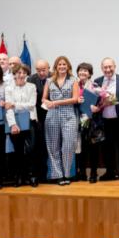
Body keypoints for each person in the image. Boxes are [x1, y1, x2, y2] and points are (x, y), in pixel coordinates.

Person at [43, 56, 80, 186]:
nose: (62, 66)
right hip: (52, 116)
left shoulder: (74, 80)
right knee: (53, 147)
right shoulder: (49, 81)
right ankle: (57, 175)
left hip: (68, 115)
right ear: (56, 67)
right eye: (59, 64)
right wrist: (47, 102)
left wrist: (57, 102)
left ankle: (67, 174)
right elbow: (44, 98)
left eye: (64, 64)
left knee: (68, 146)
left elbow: (75, 99)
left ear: (68, 66)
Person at [95, 57, 119, 183]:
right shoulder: (97, 82)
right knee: (107, 147)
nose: (108, 69)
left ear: (114, 66)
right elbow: (95, 100)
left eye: (110, 67)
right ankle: (110, 172)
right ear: (102, 68)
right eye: (105, 67)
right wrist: (100, 104)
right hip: (104, 120)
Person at [4, 64, 38, 187]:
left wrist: (14, 105)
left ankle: (32, 176)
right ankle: (19, 177)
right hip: (15, 122)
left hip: (30, 121)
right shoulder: (8, 88)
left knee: (31, 150)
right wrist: (13, 124)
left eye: (23, 73)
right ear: (14, 74)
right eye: (18, 73)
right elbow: (8, 109)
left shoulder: (32, 86)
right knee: (18, 151)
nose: (21, 75)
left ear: (27, 74)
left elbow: (31, 105)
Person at [75, 62, 99, 182]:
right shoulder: (74, 85)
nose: (83, 73)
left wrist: (97, 107)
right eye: (80, 70)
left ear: (90, 74)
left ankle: (94, 173)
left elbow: (101, 101)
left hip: (91, 120)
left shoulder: (95, 86)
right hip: (76, 119)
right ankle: (82, 172)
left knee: (92, 147)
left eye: (86, 71)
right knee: (80, 148)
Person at [27, 59, 50, 184]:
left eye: (43, 70)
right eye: (38, 70)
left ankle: (49, 174)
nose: (41, 73)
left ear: (48, 68)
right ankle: (37, 174)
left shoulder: (54, 77)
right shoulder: (31, 79)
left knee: (50, 147)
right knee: (36, 147)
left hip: (52, 116)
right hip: (36, 118)